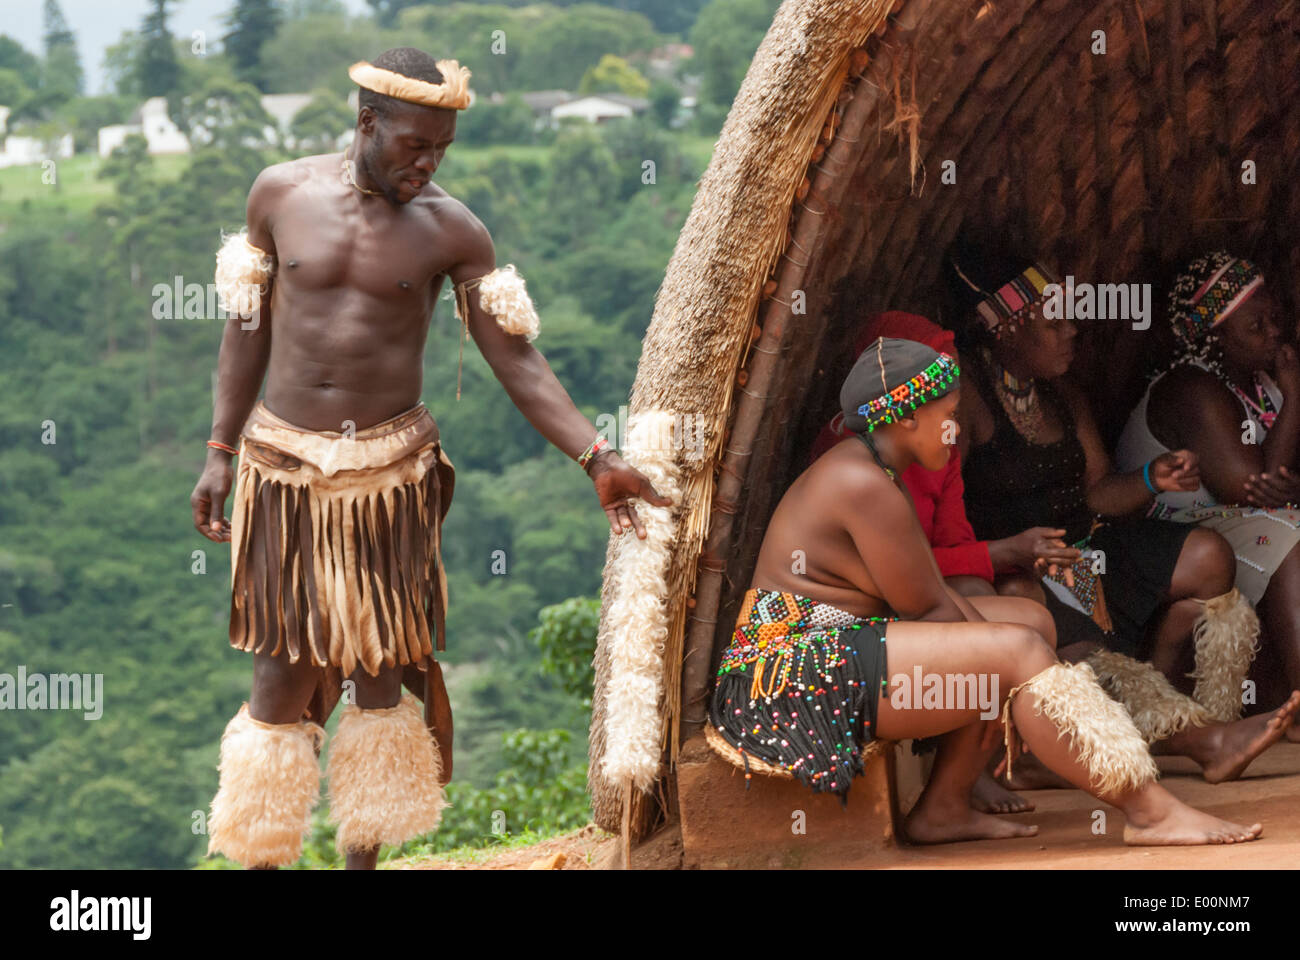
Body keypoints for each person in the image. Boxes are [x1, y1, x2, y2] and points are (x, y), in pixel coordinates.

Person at [191, 48, 671, 870]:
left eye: (441, 150)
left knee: (380, 674)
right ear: (367, 122)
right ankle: (260, 861)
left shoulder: (453, 231)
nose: (428, 163)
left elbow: (515, 358)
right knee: (278, 674)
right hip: (284, 472)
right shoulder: (279, 193)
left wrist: (596, 457)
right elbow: (246, 329)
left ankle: (363, 866)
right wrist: (218, 451)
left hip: (390, 481)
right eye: (415, 145)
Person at [710, 337, 1275, 845]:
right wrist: (1020, 669)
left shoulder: (877, 471)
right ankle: (1151, 812)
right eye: (948, 417)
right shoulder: (862, 484)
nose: (956, 434)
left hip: (840, 644)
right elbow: (930, 612)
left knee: (1029, 622)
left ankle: (945, 805)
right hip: (791, 672)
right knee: (1017, 650)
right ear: (906, 418)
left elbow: (931, 596)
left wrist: (1016, 648)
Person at [947, 246, 1290, 780]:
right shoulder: (967, 400)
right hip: (1018, 568)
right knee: (1050, 622)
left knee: (1205, 555)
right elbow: (946, 510)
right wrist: (1000, 555)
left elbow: (1097, 494)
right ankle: (1195, 739)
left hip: (1085, 549)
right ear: (1008, 329)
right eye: (1055, 321)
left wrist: (1154, 478)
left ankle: (1169, 700)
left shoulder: (1063, 396)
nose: (1073, 332)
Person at [1116, 252, 1300, 736]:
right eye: (1254, 325)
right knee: (1290, 534)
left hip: (1234, 519)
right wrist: (1297, 397)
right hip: (1174, 531)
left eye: (1274, 319)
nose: (1274, 333)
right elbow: (1251, 488)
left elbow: (1271, 482)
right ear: (1214, 336)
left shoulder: (1261, 385)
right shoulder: (1192, 388)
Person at [810, 312, 1084, 601]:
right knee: (995, 609)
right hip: (852, 600)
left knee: (1017, 594)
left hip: (913, 586)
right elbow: (890, 567)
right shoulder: (851, 454)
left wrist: (1013, 555)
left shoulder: (940, 449)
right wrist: (1007, 551)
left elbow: (955, 546)